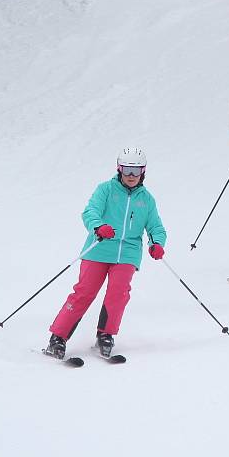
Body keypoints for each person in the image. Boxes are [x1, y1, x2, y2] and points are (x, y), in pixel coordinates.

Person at [45, 147, 166, 359]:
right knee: (84, 292)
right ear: (119, 169)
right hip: (99, 248)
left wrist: (157, 243)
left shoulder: (146, 199)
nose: (131, 176)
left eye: (135, 171)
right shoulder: (106, 190)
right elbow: (90, 212)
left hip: (127, 254)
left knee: (118, 294)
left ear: (143, 172)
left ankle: (106, 335)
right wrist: (98, 226)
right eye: (127, 170)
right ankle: (58, 338)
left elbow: (156, 227)